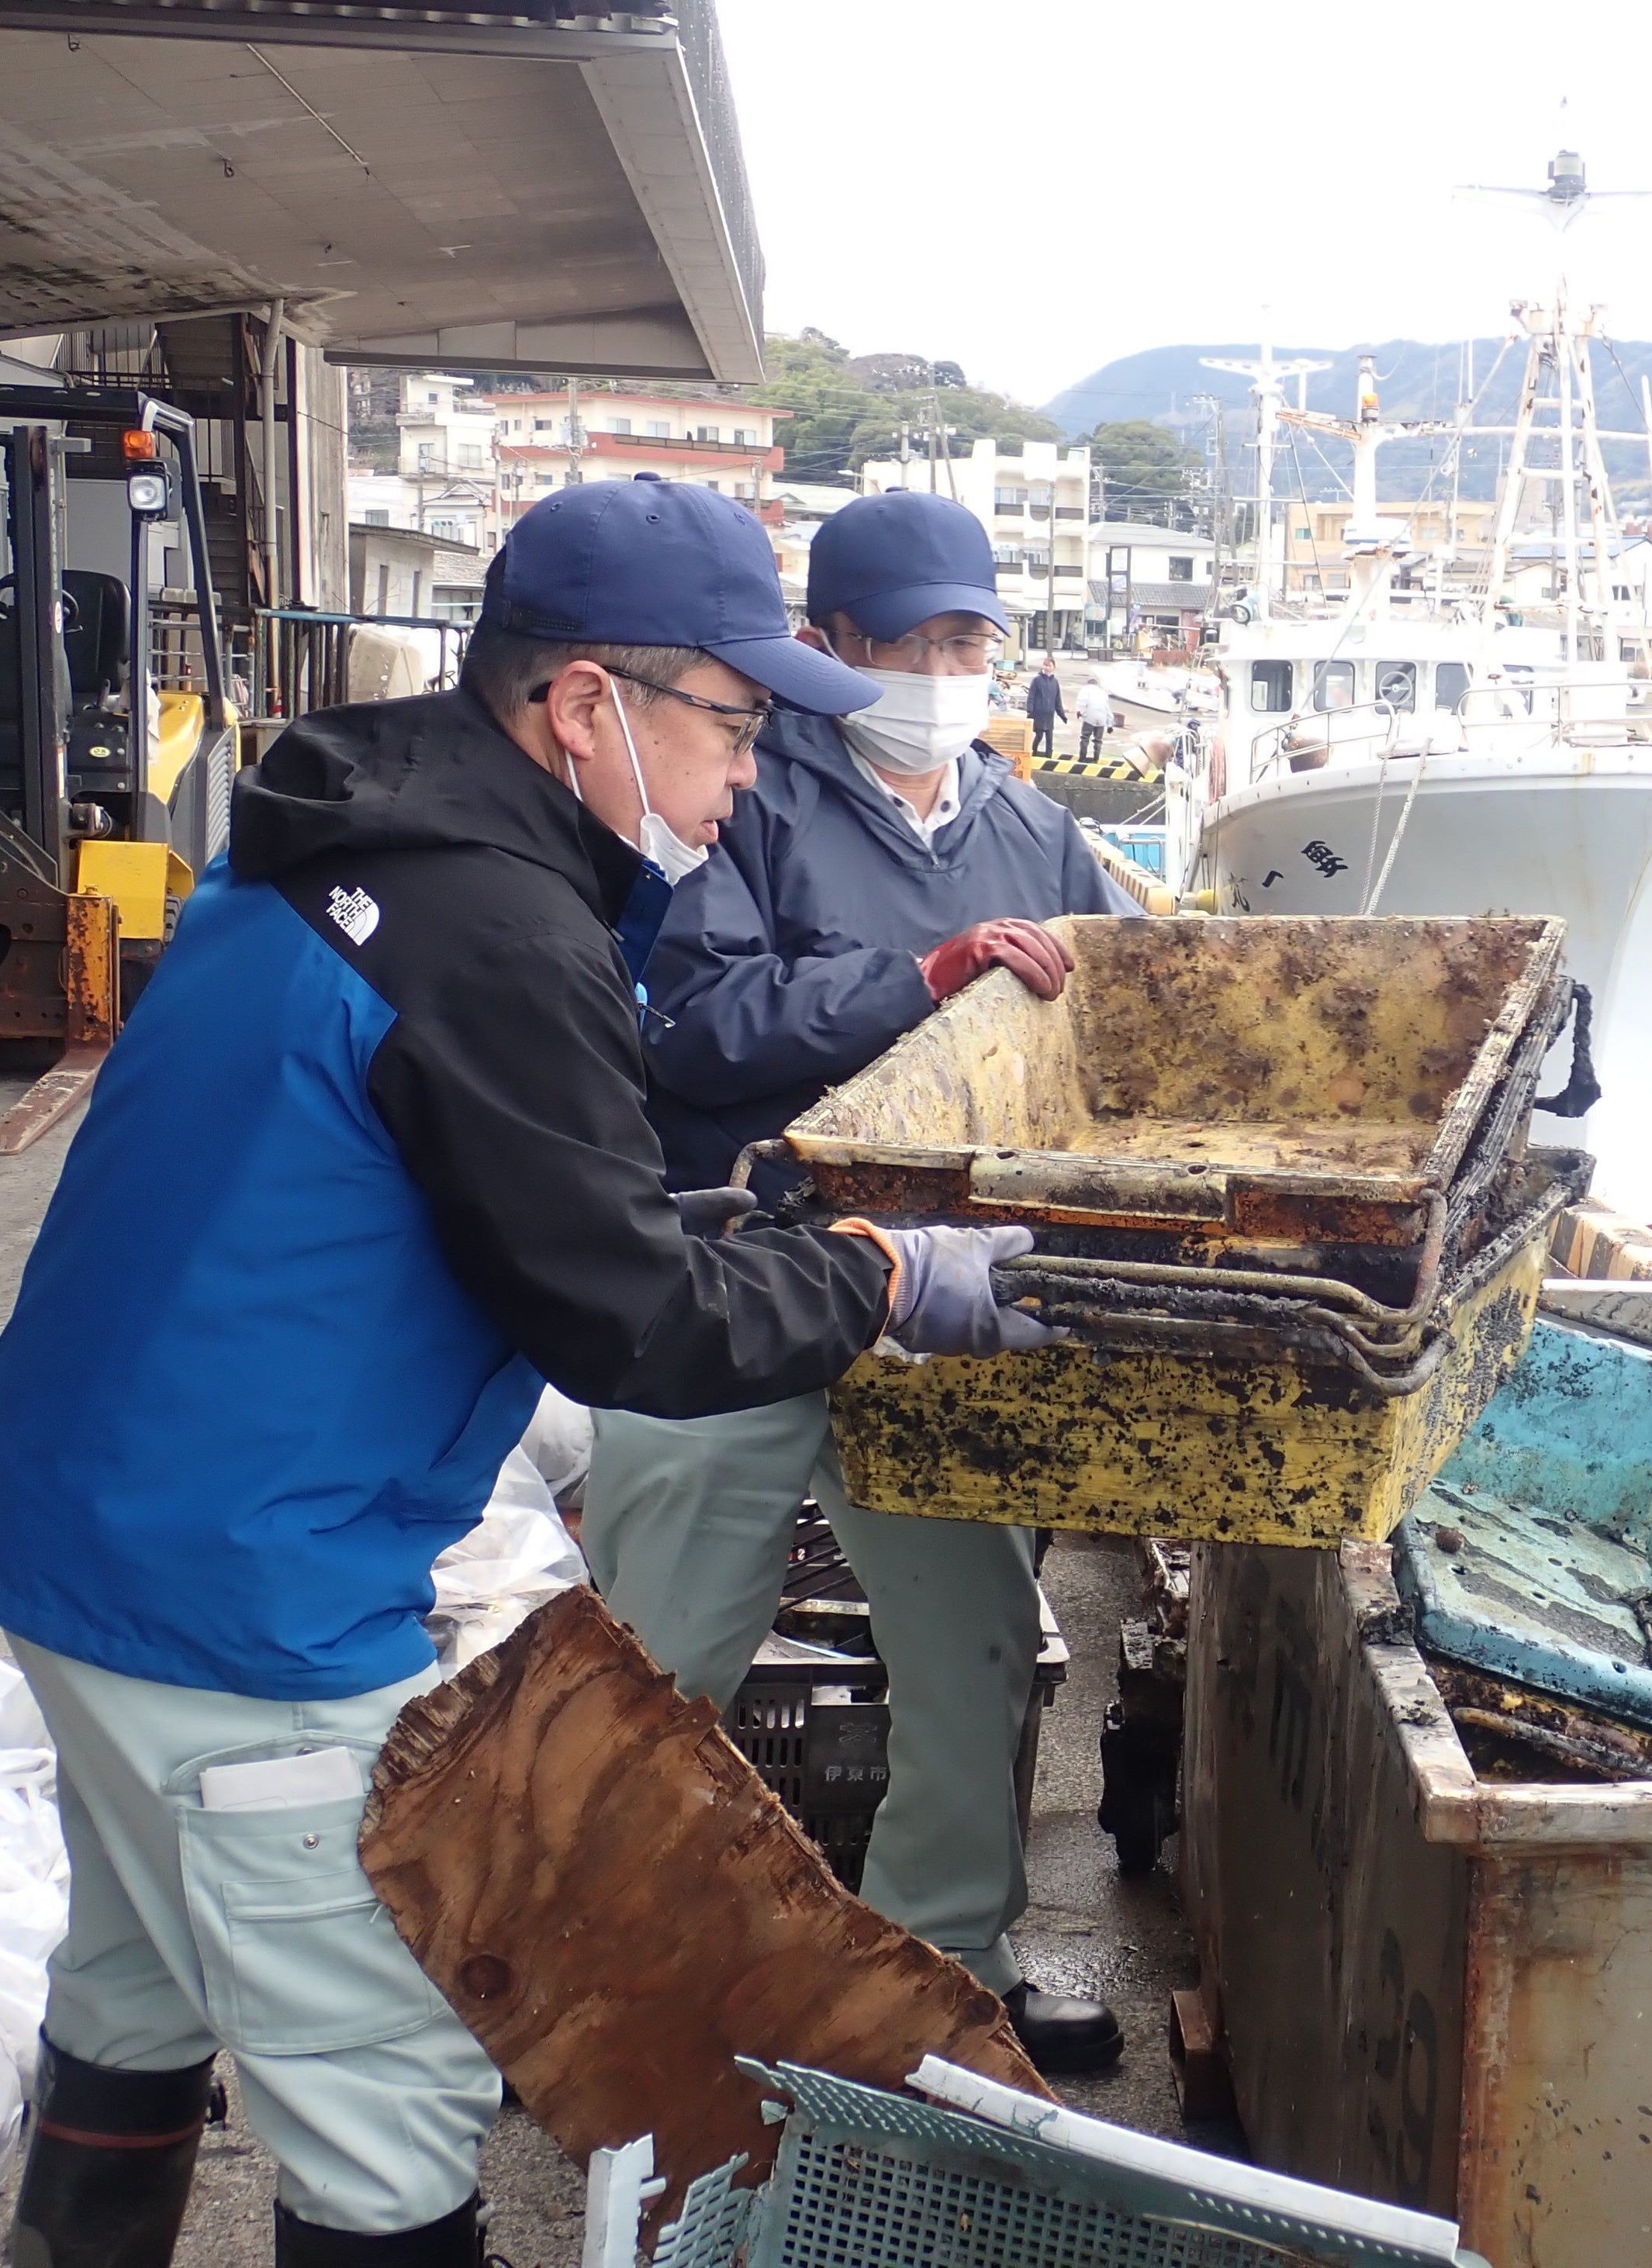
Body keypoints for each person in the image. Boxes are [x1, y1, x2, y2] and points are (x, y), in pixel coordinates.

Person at [0, 475, 1048, 2265]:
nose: (750, 772)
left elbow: (439, 1167)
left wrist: (701, 1215)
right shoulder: (501, 929)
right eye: (734, 721)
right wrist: (887, 1275)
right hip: (245, 1598)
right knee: (387, 2094)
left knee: (134, 1981)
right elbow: (631, 1325)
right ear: (587, 704)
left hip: (67, 1524)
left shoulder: (338, 831)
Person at [584, 488, 1142, 2076]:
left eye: (972, 641)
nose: (947, 671)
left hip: (941, 1307)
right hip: (737, 1282)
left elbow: (1104, 1038)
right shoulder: (742, 789)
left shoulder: (1037, 830)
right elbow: (689, 1026)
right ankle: (605, 1969)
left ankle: (941, 1970)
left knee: (974, 1649)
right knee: (659, 1655)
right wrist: (923, 977)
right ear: (826, 646)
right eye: (914, 642)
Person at [1026, 654, 1065, 759]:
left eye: (1049, 666)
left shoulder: (1055, 682)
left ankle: (1049, 757)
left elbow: (1058, 700)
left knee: (1049, 738)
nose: (1047, 668)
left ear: (1054, 667)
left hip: (1049, 715)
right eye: (1045, 665)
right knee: (1039, 736)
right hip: (1038, 713)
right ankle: (1033, 753)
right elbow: (1031, 697)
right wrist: (1030, 711)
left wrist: (1062, 715)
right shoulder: (1037, 680)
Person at [1076, 673, 1114, 761]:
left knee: (1085, 737)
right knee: (1098, 740)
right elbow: (1107, 709)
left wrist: (1080, 712)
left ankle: (1082, 758)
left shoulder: (1085, 689)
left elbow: (1082, 702)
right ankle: (1096, 759)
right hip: (1102, 719)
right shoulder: (1103, 693)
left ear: (1088, 683)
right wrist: (1110, 725)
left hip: (1090, 717)